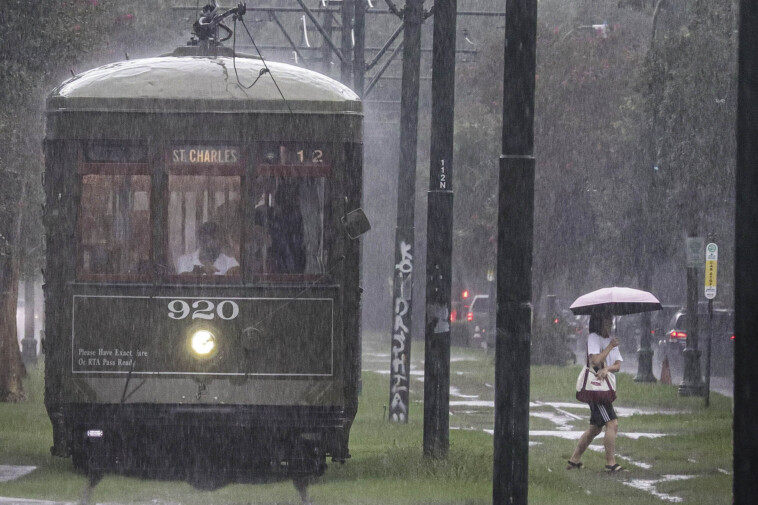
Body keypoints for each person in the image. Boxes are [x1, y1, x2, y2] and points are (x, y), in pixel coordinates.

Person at [567, 310, 624, 472]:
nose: (611, 324)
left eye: (611, 321)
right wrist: (609, 347)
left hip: (604, 387)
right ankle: (610, 463)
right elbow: (595, 361)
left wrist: (608, 369)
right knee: (612, 424)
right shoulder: (594, 338)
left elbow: (618, 365)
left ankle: (574, 460)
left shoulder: (609, 340)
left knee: (595, 428)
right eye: (608, 320)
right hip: (596, 389)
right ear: (599, 322)